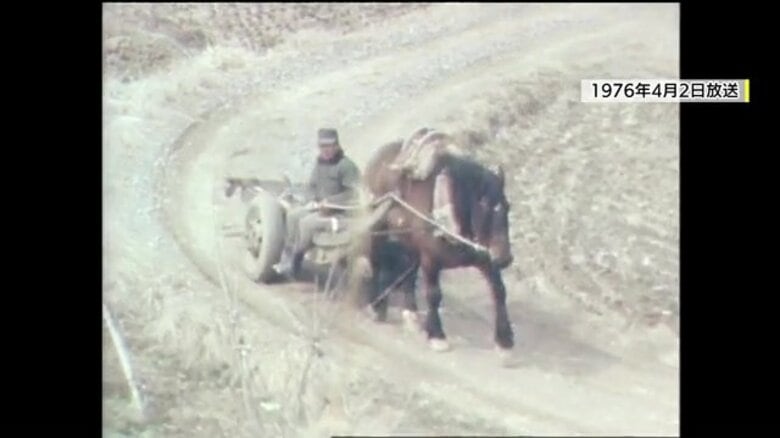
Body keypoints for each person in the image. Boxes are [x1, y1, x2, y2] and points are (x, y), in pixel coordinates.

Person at [274, 128, 362, 278]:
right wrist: (313, 200)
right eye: (322, 147)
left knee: (306, 224)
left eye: (329, 146)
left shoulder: (346, 166)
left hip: (340, 212)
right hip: (319, 206)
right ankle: (287, 256)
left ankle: (296, 260)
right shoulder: (319, 163)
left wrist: (330, 202)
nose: (326, 150)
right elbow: (312, 186)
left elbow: (354, 193)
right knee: (293, 216)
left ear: (337, 146)